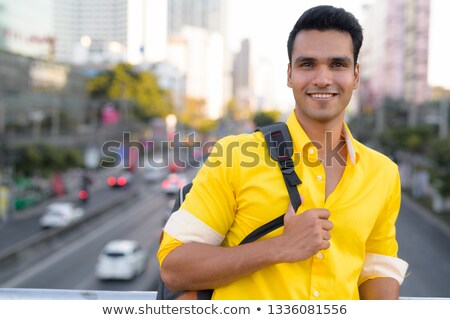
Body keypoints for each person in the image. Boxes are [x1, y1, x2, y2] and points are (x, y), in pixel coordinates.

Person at [157, 5, 408, 299]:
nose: (322, 78)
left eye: (337, 64)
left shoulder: (384, 173)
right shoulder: (235, 156)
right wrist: (279, 247)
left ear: (355, 75)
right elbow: (174, 268)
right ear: (290, 75)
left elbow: (376, 266)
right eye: (307, 64)